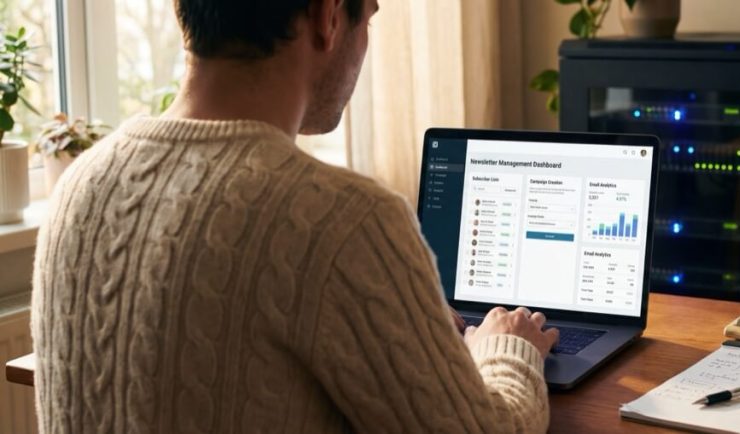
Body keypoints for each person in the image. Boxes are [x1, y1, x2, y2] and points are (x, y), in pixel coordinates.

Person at [30, 0, 558, 433]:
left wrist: (403, 317)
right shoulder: (342, 218)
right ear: (329, 18)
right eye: (368, 17)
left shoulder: (81, 183)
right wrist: (506, 348)